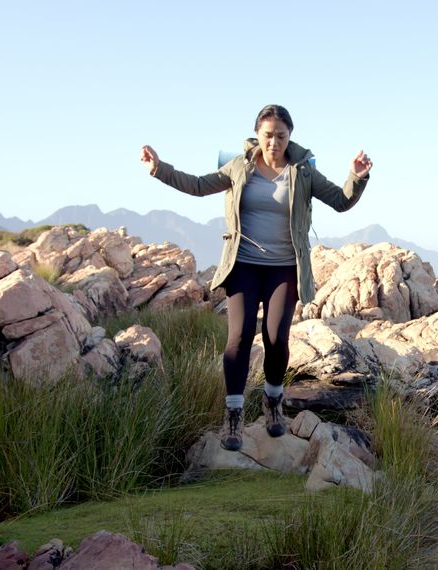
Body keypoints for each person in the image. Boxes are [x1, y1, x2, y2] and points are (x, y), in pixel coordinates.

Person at [140, 104, 372, 451]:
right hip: (244, 264)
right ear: (257, 135)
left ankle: (273, 402)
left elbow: (340, 201)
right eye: (268, 135)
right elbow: (199, 185)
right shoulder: (239, 166)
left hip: (284, 268)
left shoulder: (303, 171)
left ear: (289, 136)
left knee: (276, 338)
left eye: (280, 135)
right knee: (239, 337)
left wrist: (357, 177)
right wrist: (159, 169)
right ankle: (233, 414)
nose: (274, 142)